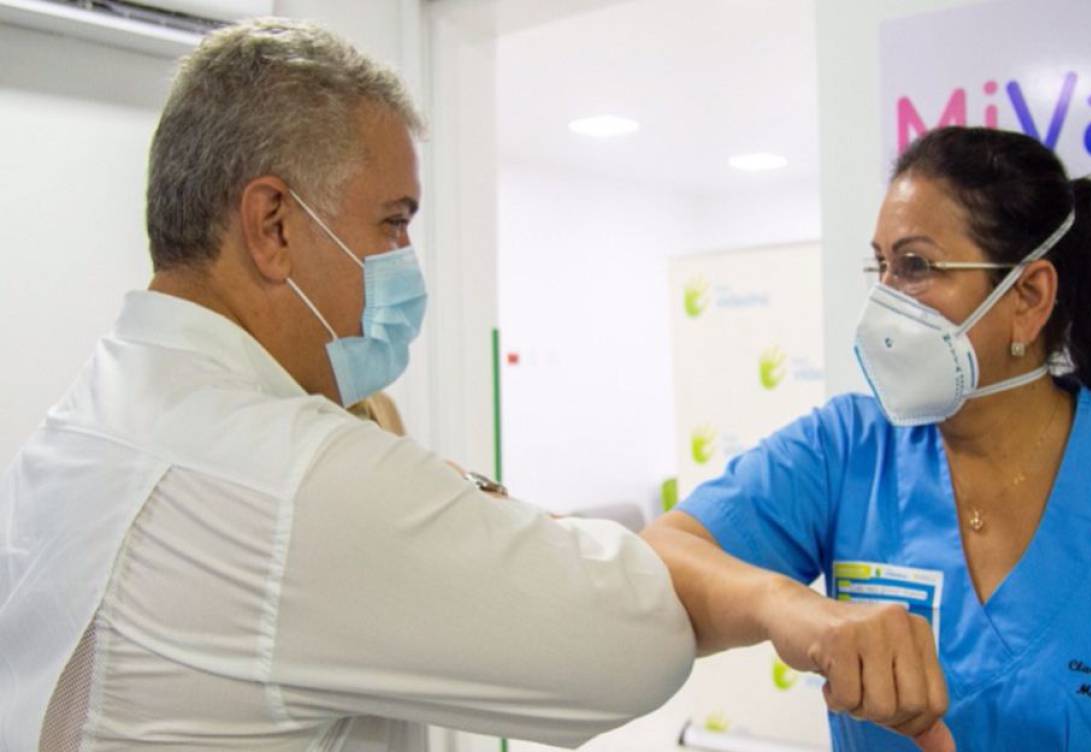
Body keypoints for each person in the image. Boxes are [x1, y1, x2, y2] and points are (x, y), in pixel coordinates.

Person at [0, 19, 694, 751]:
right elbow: (636, 639)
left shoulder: (83, 423)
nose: (406, 259)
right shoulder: (293, 479)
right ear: (273, 227)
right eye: (393, 223)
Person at [643, 126, 1091, 751]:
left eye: (916, 266)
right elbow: (658, 560)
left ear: (1028, 296)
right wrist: (785, 606)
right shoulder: (846, 449)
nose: (885, 304)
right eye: (882, 268)